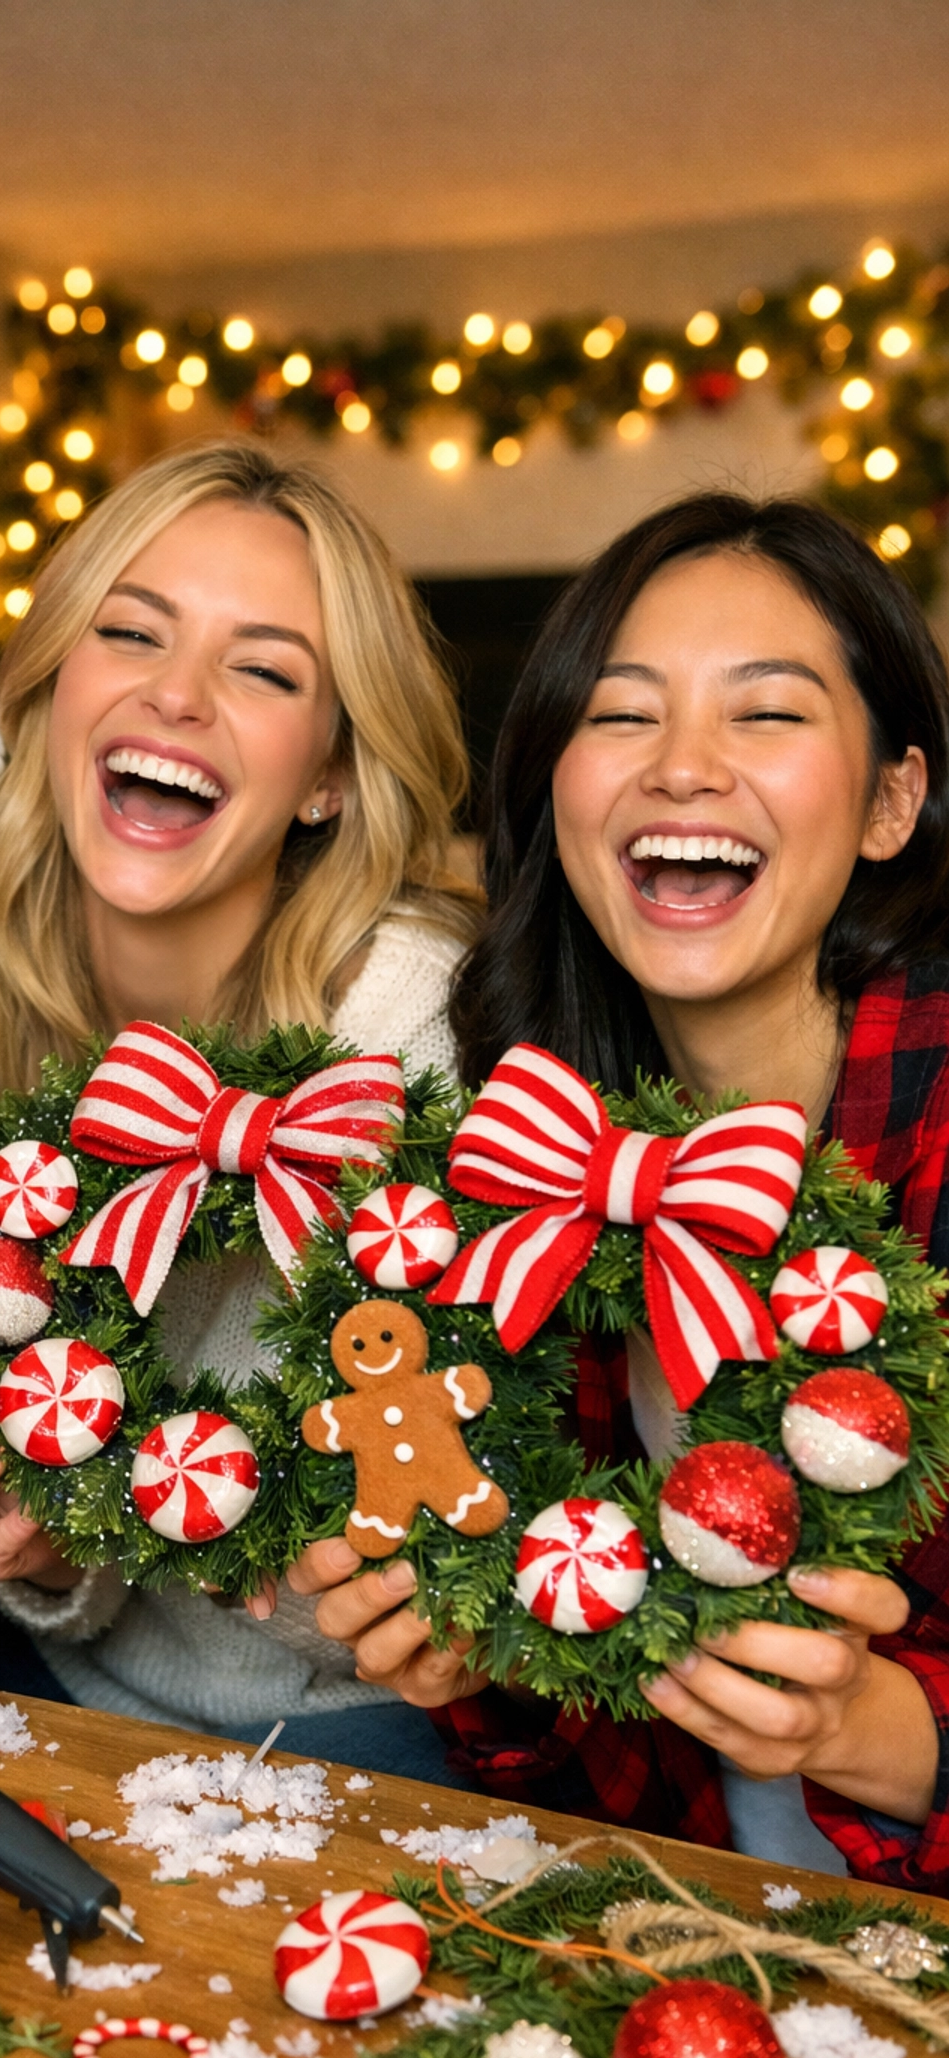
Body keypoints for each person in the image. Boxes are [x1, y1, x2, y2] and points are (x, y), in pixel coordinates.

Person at [290, 488, 949, 1886]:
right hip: (662, 1920)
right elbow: (604, 1749)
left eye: (766, 713)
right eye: (624, 712)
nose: (684, 769)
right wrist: (473, 1657)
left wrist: (883, 1728)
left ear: (893, 798)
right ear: (548, 786)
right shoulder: (515, 1159)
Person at [0, 438, 479, 1775]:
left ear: (331, 774)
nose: (177, 696)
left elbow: (431, 1582)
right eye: (133, 636)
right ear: (49, 692)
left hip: (348, 1717)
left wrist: (209, 1540)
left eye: (264, 669)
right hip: (19, 1667)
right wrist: (39, 1553)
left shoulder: (413, 1034)